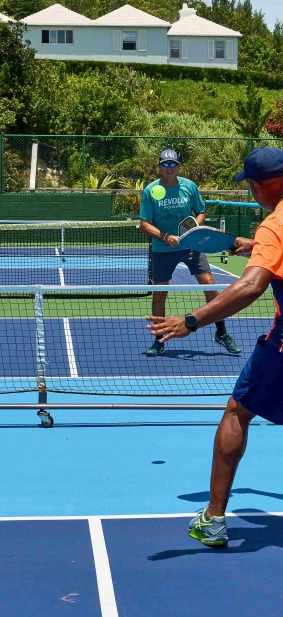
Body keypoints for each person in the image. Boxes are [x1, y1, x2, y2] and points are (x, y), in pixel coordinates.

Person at [147, 145, 283, 547]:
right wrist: (251, 245)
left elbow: (250, 286)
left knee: (237, 412)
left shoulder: (275, 226)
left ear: (258, 187)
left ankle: (213, 520)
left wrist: (191, 320)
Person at [140, 148, 240, 356]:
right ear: (159, 166)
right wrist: (166, 237)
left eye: (173, 164)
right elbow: (144, 223)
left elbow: (201, 212)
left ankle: (221, 332)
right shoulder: (150, 191)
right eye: (165, 164)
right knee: (159, 295)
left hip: (193, 248)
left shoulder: (189, 187)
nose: (169, 168)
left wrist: (193, 231)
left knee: (211, 287)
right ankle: (159, 340)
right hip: (162, 249)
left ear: (178, 166)